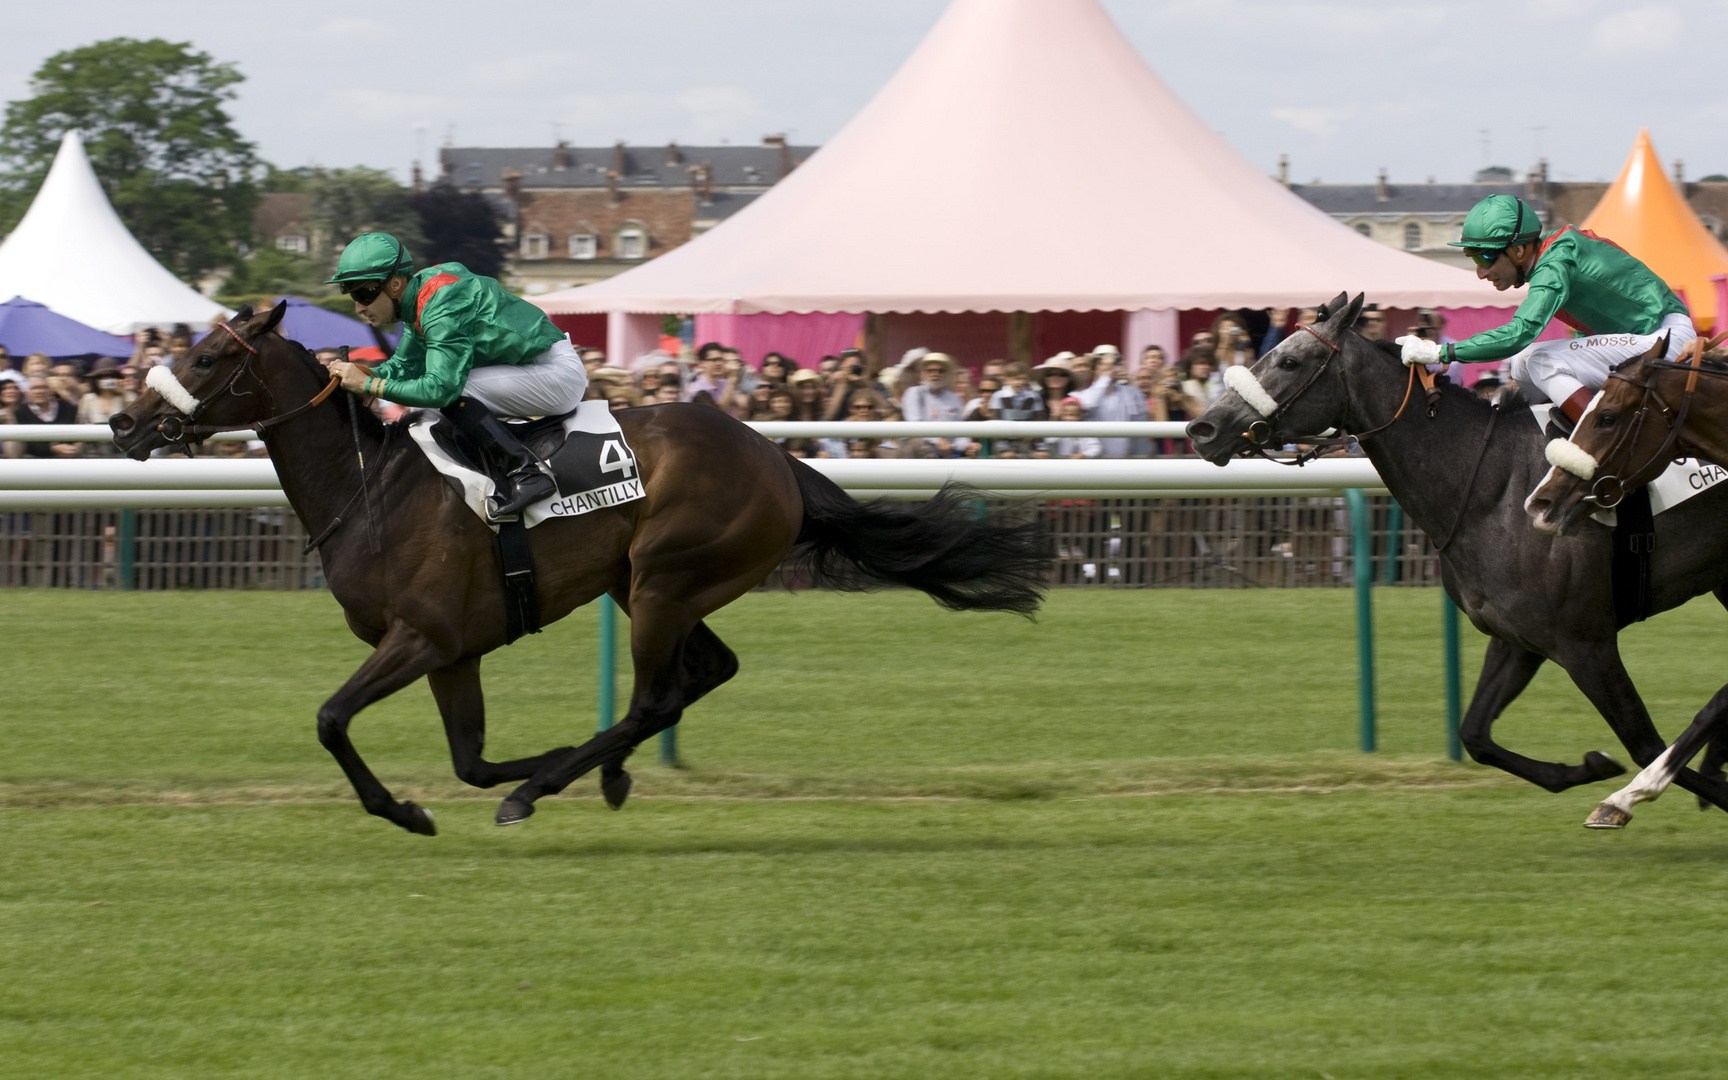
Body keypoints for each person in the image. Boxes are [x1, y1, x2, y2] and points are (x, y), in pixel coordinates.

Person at [324, 232, 586, 519]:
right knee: (422, 402)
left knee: (452, 392)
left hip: (556, 374)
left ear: (395, 284)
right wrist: (361, 375)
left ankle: (525, 473)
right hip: (535, 367)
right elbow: (403, 366)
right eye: (352, 296)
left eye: (364, 294)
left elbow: (441, 389)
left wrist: (369, 384)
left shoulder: (440, 306)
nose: (359, 307)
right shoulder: (420, 298)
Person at [1398, 194, 1694, 432]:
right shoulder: (1554, 256)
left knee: (1536, 358)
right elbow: (1585, 333)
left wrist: (1441, 353)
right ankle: (1526, 443)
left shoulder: (1555, 263)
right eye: (1473, 256)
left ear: (1518, 251)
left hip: (1664, 339)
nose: (1480, 271)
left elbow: (1519, 334)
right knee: (1520, 365)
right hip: (1649, 338)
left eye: (1485, 255)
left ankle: (1600, 443)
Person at [1073, 346, 1150, 457]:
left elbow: (1141, 423)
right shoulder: (1082, 395)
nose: (1110, 368)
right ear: (1094, 369)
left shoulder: (1131, 392)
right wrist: (1105, 378)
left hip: (1125, 462)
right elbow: (1089, 404)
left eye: (1113, 364)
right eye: (1103, 364)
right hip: (1094, 462)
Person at [898, 352, 967, 457]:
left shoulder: (954, 398)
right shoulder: (914, 393)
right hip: (920, 451)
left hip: (947, 451)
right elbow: (915, 424)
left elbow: (960, 430)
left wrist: (966, 445)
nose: (935, 374)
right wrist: (936, 440)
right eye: (930, 371)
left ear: (946, 374)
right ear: (924, 373)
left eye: (940, 371)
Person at [15, 376, 78, 457]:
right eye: (34, 388)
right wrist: (53, 449)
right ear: (27, 393)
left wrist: (75, 448)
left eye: (44, 387)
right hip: (35, 461)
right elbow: (27, 444)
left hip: (69, 459)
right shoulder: (21, 413)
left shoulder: (68, 408)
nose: (40, 391)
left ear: (51, 390)